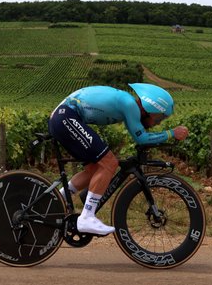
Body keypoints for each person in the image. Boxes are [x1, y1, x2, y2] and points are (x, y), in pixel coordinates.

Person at [48, 83, 189, 236]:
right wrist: (171, 133)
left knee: (95, 169)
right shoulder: (130, 105)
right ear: (150, 108)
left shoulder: (128, 105)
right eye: (159, 117)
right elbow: (141, 138)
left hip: (63, 118)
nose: (159, 123)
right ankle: (86, 217)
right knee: (109, 163)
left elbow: (139, 135)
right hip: (66, 117)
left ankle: (53, 200)